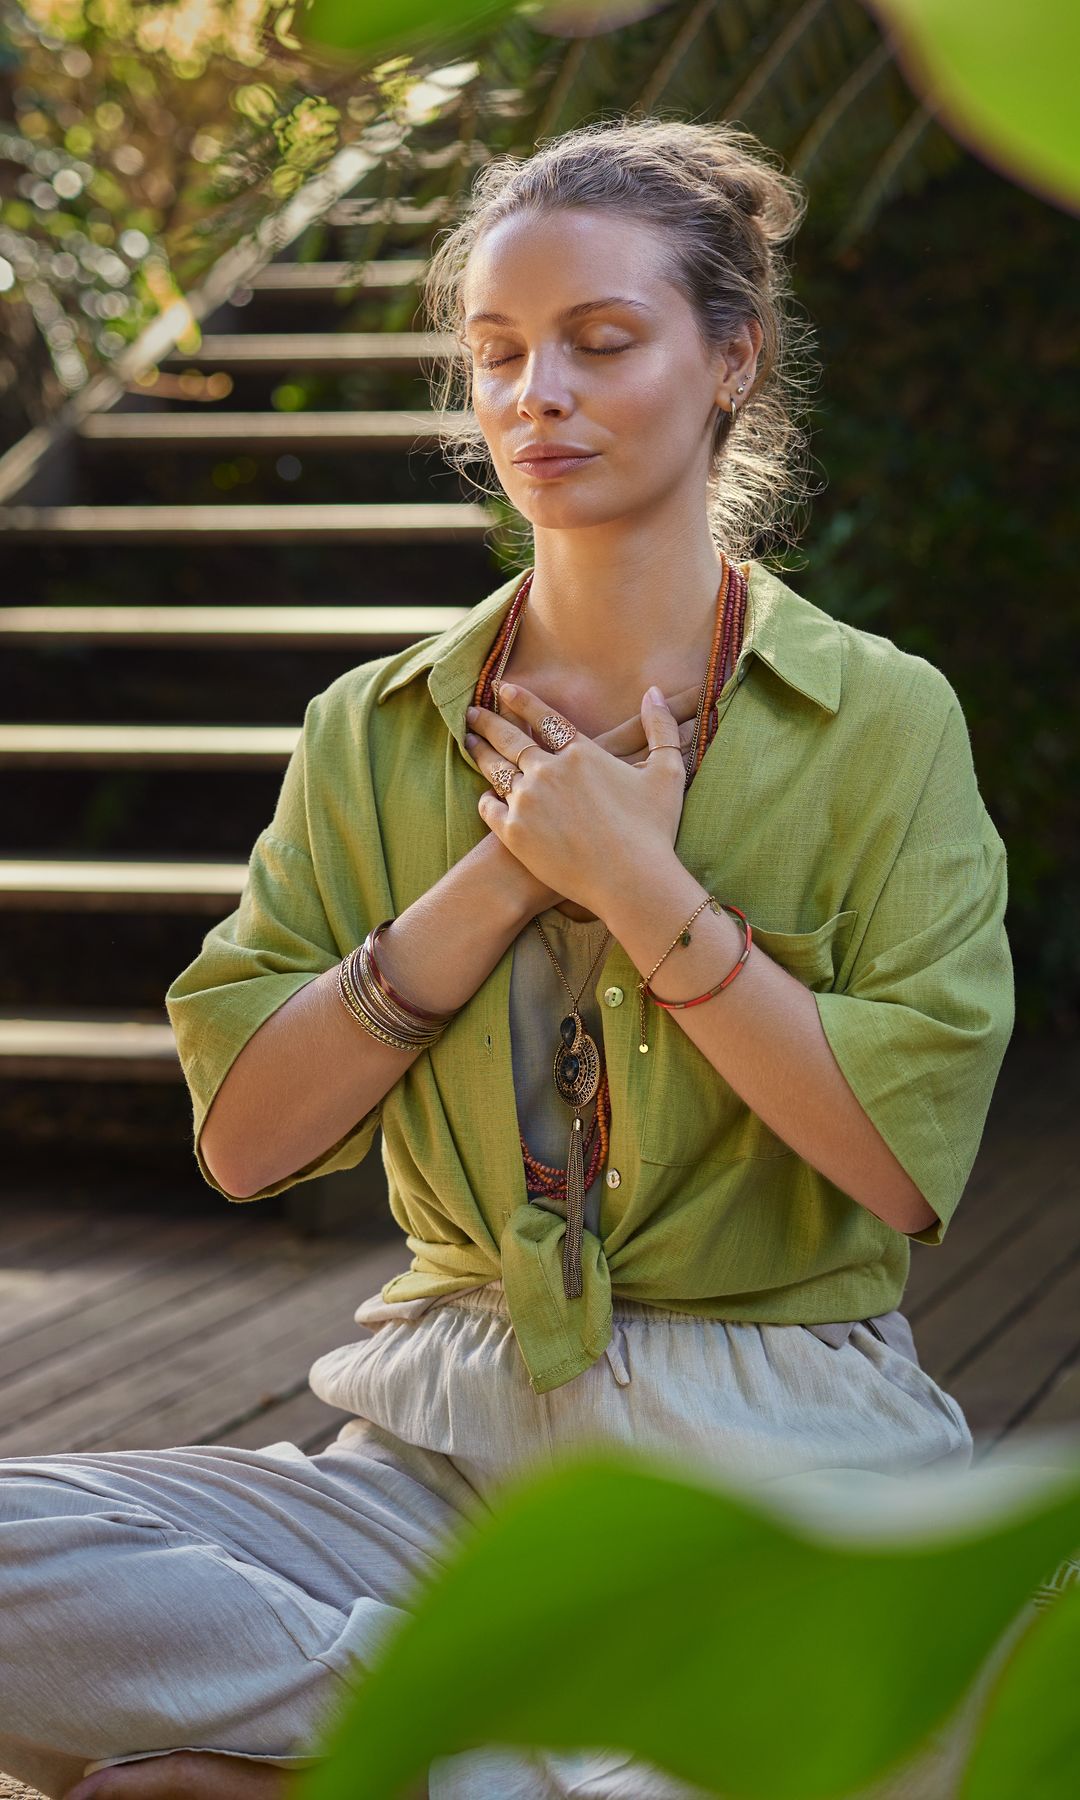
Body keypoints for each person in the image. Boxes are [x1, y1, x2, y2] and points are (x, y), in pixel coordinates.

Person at [0, 116, 1016, 1800]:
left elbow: (902, 1165)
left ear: (728, 364)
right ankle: (492, 1748)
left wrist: (638, 885)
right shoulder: (372, 733)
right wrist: (501, 875)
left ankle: (378, 1756)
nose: (536, 392)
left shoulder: (881, 721)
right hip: (434, 1460)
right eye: (496, 353)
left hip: (773, 1463)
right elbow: (248, 1143)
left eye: (601, 343)